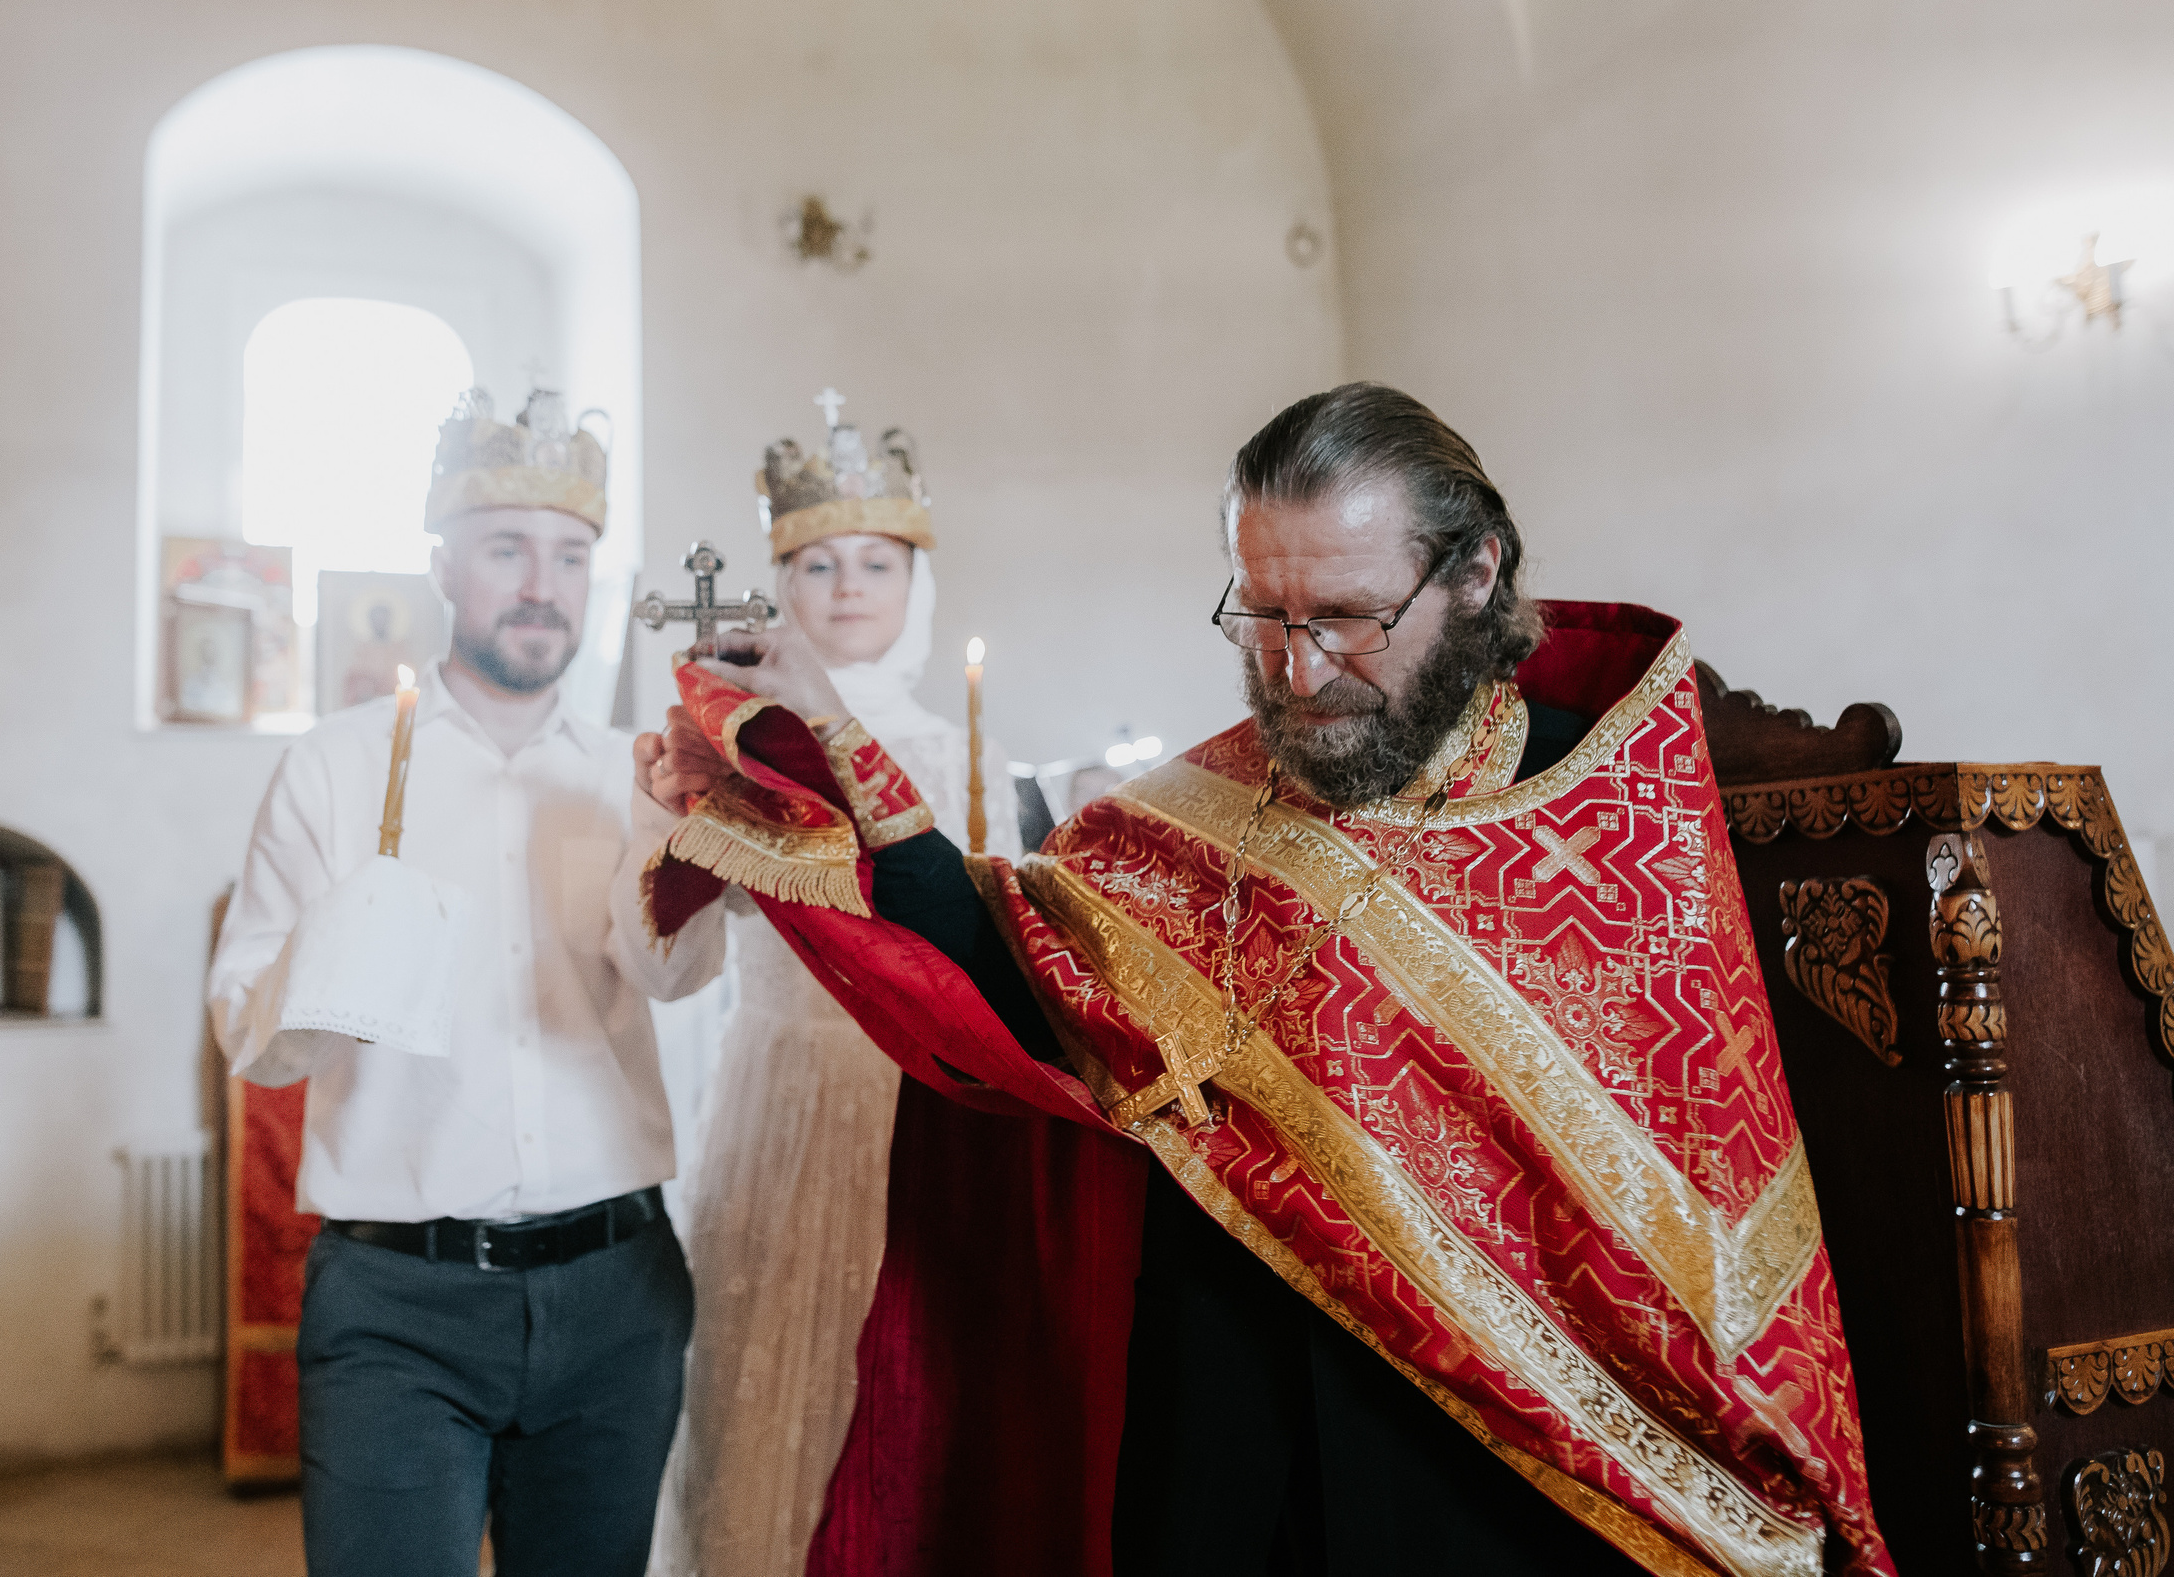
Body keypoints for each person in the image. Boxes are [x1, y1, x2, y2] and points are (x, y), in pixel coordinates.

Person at [636, 383, 1895, 1576]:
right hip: (1242, 1434)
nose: (1296, 671)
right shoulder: (1210, 811)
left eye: (1344, 617)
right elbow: (1011, 970)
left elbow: (1702, 1202)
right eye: (1261, 616)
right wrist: (828, 741)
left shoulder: (1605, 811)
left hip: (1515, 1474)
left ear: (1473, 573)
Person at [209, 387, 728, 1577]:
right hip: (400, 1298)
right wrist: (339, 949)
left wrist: (697, 859)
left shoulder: (633, 772)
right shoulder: (334, 768)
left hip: (617, 1288)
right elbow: (251, 1032)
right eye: (507, 549)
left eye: (571, 554)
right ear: (442, 563)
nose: (542, 582)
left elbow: (673, 976)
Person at [666, 404, 1017, 1577]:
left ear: (918, 580)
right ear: (779, 582)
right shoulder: (744, 736)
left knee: (910, 1380)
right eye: (817, 564)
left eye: (877, 562)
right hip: (779, 1081)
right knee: (763, 1373)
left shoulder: (962, 746)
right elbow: (686, 912)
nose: (849, 586)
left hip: (920, 1088)